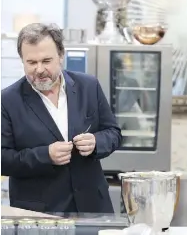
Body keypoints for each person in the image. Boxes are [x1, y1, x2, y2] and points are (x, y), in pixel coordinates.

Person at [1, 23, 122, 214]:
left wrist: (96, 142)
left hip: (93, 208)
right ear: (22, 61)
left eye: (46, 61)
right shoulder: (7, 100)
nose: (39, 69)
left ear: (61, 56)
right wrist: (45, 156)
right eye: (31, 63)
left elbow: (114, 133)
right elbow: (3, 158)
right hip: (38, 215)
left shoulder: (89, 86)